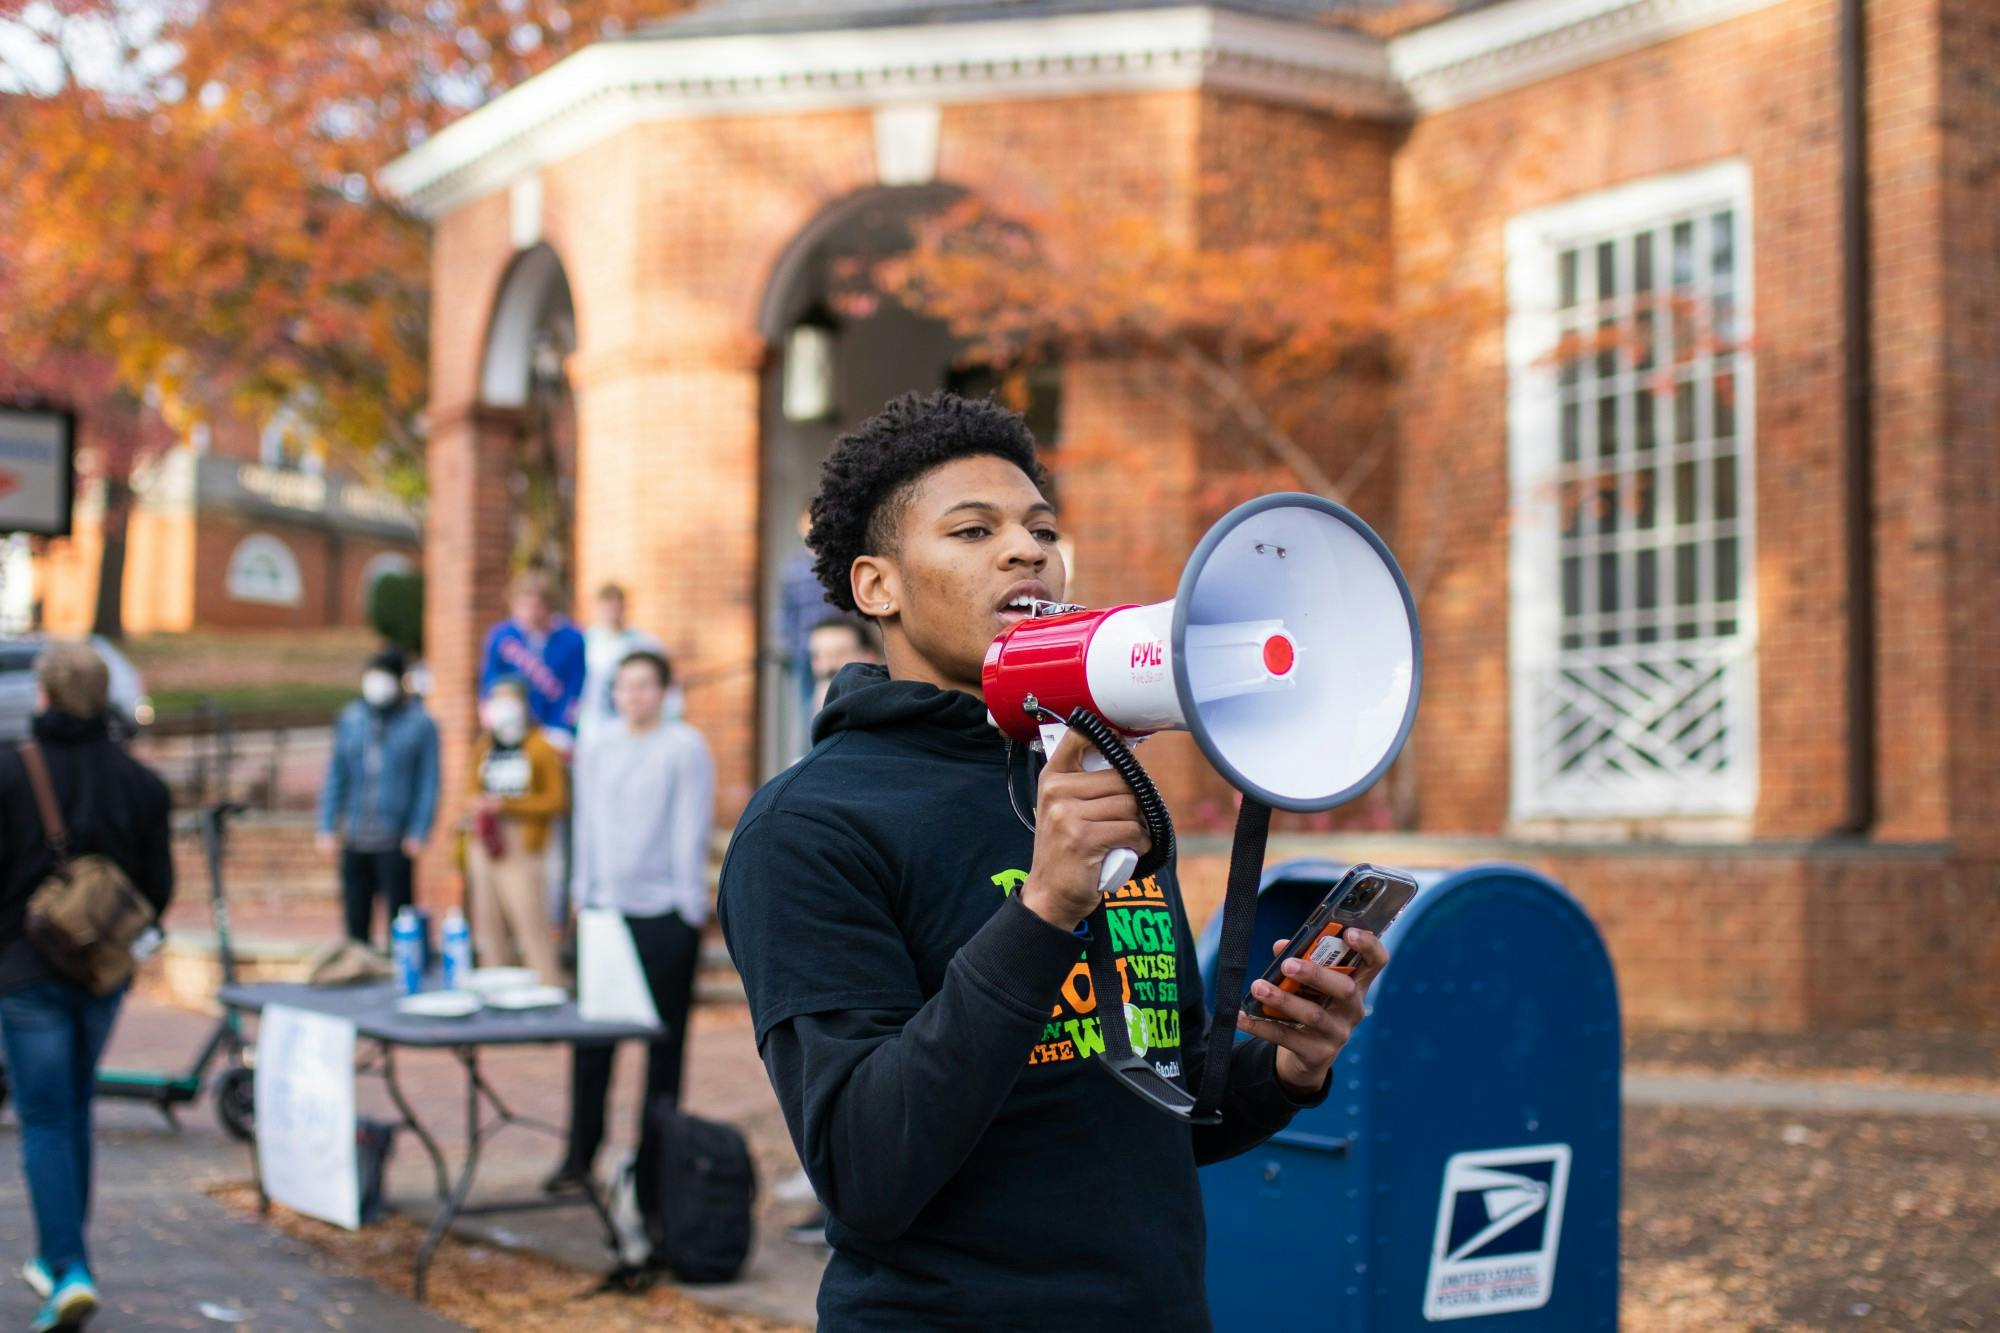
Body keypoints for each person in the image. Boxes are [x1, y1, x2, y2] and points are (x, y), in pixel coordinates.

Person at [718, 391, 1388, 1331]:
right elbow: (866, 1171)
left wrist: (1284, 1068)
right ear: (878, 586)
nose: (1028, 549)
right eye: (972, 529)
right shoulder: (809, 827)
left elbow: (1161, 1104)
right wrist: (1042, 910)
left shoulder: (1088, 784)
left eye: (1042, 527)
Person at [0, 641, 173, 1332]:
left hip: (23, 971)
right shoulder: (142, 784)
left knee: (42, 1114)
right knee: (75, 1108)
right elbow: (157, 890)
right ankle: (65, 1257)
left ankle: (66, 1263)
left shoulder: (9, 773)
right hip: (102, 975)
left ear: (44, 696)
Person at [544, 650, 715, 1194]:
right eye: (623, 686)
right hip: (606, 915)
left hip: (665, 914)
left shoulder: (684, 747)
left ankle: (652, 1165)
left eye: (643, 685)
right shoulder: (598, 747)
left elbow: (691, 826)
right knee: (593, 1046)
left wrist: (690, 909)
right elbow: (586, 825)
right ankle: (579, 1155)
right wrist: (581, 896)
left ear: (663, 691)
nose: (633, 695)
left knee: (664, 1049)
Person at [315, 647, 440, 948]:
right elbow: (337, 773)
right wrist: (327, 824)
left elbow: (429, 781)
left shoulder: (420, 723)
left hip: (394, 838)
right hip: (356, 836)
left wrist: (418, 830)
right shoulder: (352, 718)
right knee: (355, 923)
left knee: (401, 923)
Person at [464, 678, 568, 985]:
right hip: (486, 841)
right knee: (488, 925)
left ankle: (548, 986)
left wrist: (509, 805)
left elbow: (556, 800)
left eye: (509, 700)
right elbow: (471, 789)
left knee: (530, 922)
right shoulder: (485, 745)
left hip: (523, 844)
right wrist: (478, 803)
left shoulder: (540, 747)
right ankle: (494, 987)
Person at [479, 568, 587, 757]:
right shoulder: (502, 637)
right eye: (524, 604)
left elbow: (574, 689)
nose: (531, 612)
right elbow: (489, 683)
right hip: (512, 725)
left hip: (555, 729)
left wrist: (561, 728)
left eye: (537, 605)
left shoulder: (572, 639)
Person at [575, 582, 664, 756]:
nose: (611, 613)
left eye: (615, 607)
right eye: (606, 607)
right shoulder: (586, 642)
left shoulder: (643, 643)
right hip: (594, 726)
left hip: (632, 725)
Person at [805, 616, 881, 718]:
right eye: (818, 656)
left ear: (869, 657)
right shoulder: (805, 714)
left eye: (840, 653)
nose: (827, 666)